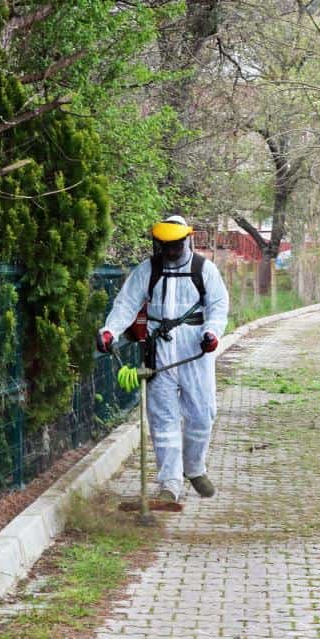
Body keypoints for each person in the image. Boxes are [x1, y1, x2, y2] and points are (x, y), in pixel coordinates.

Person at [97, 215, 229, 502]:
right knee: (163, 420)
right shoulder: (148, 270)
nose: (170, 251)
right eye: (165, 246)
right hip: (158, 351)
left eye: (176, 245)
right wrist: (110, 331)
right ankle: (169, 484)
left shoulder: (204, 270)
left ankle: (194, 469)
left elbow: (218, 308)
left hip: (194, 351)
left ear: (187, 240)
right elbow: (126, 303)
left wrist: (212, 333)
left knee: (202, 415)